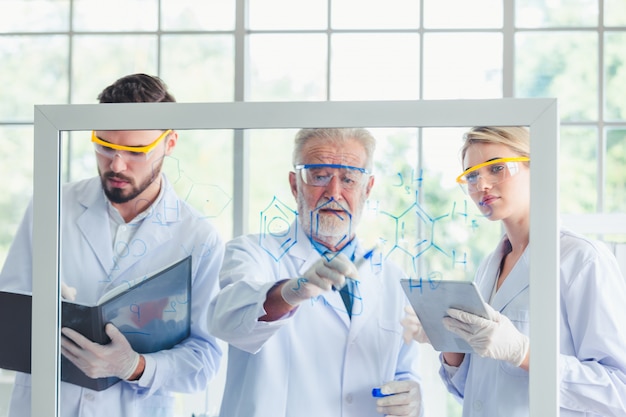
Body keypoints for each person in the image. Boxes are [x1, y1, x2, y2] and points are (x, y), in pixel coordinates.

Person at [0, 73, 224, 417]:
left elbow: (204, 358)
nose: (116, 165)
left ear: (171, 143)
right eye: (105, 146)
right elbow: (8, 310)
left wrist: (134, 366)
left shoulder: (198, 238)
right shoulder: (51, 204)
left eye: (135, 151)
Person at [402, 126, 626, 416]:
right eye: (471, 175)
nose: (481, 184)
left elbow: (618, 391)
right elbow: (477, 396)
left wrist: (524, 353)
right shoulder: (488, 268)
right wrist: (450, 343)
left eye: (496, 168)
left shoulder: (582, 260)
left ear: (537, 167)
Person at [207, 128, 423, 417]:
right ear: (295, 184)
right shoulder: (251, 252)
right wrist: (290, 292)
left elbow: (404, 371)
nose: (334, 192)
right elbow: (226, 320)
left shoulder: (392, 279)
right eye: (319, 176)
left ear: (367, 188)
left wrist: (411, 397)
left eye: (348, 179)